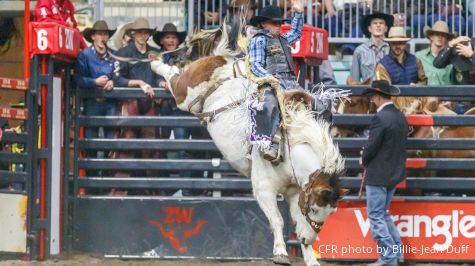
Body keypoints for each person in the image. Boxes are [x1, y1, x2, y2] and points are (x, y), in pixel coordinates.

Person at [247, 1, 304, 162]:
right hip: (272, 84)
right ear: (263, 24)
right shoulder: (259, 40)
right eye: (274, 23)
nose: (278, 25)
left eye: (279, 22)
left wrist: (298, 13)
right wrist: (269, 78)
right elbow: (255, 65)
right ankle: (271, 145)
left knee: (314, 104)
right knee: (270, 105)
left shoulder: (284, 39)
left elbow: (296, 33)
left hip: (291, 82)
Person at [360, 80, 409, 266]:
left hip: (378, 174)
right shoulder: (400, 116)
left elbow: (372, 146)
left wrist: (363, 157)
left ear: (379, 97)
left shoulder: (380, 118)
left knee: (376, 215)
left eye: (373, 97)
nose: (372, 100)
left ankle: (388, 258)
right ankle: (397, 253)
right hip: (394, 173)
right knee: (383, 213)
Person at [113, 17, 163, 179]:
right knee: (127, 139)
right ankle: (122, 184)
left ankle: (149, 186)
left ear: (148, 35)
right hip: (130, 101)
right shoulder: (123, 53)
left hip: (149, 102)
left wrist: (161, 82)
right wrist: (139, 83)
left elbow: (157, 76)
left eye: (145, 33)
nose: (142, 35)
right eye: (140, 32)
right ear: (134, 34)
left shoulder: (154, 53)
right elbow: (117, 79)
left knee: (149, 143)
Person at [76, 20, 117, 163]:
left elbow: (120, 75)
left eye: (105, 34)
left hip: (110, 103)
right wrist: (94, 82)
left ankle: (107, 180)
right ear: (93, 37)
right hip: (92, 103)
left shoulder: (115, 56)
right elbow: (78, 79)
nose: (102, 37)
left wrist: (114, 82)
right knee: (90, 143)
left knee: (110, 143)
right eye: (99, 34)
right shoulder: (84, 55)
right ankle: (91, 182)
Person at [434, 35, 475, 113]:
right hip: (458, 103)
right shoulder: (455, 53)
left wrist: (471, 55)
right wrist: (450, 45)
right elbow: (437, 63)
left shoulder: (471, 52)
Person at [349, 12, 393, 84]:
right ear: (369, 28)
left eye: (381, 23)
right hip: (368, 92)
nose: (378, 25)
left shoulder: (392, 49)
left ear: (386, 28)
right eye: (375, 23)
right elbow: (355, 80)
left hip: (389, 91)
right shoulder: (360, 51)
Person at [416, 21, 454, 86]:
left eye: (443, 35)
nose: (440, 37)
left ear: (447, 39)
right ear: (431, 37)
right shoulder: (419, 56)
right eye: (437, 34)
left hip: (445, 95)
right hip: (425, 95)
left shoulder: (451, 60)